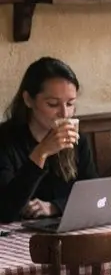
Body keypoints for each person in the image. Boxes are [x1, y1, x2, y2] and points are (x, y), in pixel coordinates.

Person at [0, 57, 96, 223]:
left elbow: (93, 193)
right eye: (53, 104)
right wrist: (41, 152)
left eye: (70, 103)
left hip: (64, 228)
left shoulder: (77, 138)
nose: (64, 113)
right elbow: (5, 210)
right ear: (28, 100)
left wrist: (55, 207)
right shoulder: (5, 140)